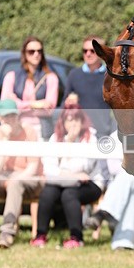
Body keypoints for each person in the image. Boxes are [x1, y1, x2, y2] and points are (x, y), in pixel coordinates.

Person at [31, 105, 105, 249]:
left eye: (76, 120)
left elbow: (85, 167)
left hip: (90, 184)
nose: (73, 124)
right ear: (63, 122)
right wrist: (72, 175)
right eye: (69, 120)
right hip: (63, 182)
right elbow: (49, 169)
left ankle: (76, 237)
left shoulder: (90, 138)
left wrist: (64, 171)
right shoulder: (55, 138)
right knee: (47, 193)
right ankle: (40, 236)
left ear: (82, 121)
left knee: (69, 194)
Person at [0, 99, 43, 248]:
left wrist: (14, 179)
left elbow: (33, 167)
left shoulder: (29, 132)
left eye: (13, 116)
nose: (11, 120)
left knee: (15, 183)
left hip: (28, 179)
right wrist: (5, 139)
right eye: (6, 117)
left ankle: (7, 232)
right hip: (3, 177)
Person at [84, 132, 134, 250]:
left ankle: (103, 212)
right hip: (123, 186)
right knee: (130, 194)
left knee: (130, 174)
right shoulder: (115, 137)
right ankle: (123, 243)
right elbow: (113, 169)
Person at [0, 36, 59, 140]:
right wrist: (35, 104)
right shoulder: (11, 76)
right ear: (24, 53)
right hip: (17, 127)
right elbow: (5, 106)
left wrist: (17, 103)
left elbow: (49, 108)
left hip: (41, 130)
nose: (36, 54)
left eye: (39, 51)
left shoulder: (51, 78)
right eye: (31, 51)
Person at [63, 35, 112, 137]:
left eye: (92, 51)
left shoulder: (110, 76)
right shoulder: (74, 74)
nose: (88, 54)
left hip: (103, 133)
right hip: (80, 133)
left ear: (101, 52)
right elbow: (64, 104)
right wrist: (69, 103)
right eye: (85, 51)